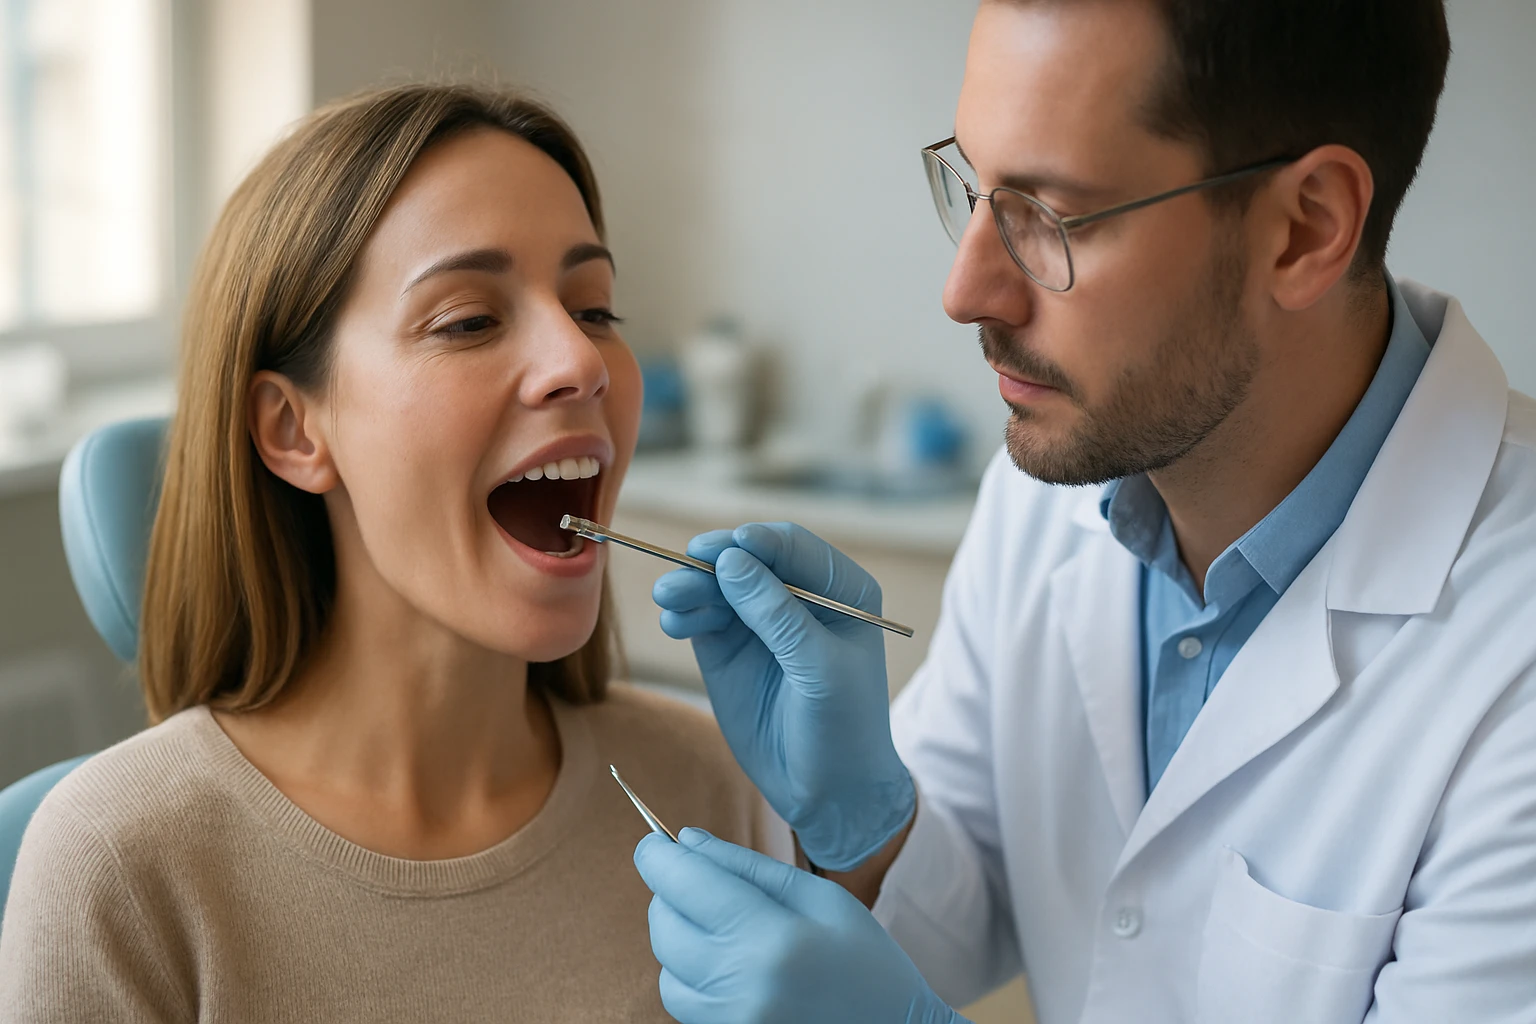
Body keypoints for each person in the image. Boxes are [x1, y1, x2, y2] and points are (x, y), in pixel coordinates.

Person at [632, 1, 1536, 1022]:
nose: (967, 290)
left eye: (1053, 215)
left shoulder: (1514, 654)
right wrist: (864, 821)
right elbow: (962, 913)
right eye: (974, 187)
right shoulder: (1056, 486)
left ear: (1307, 227)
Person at [0, 84, 785, 1023]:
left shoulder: (707, 788)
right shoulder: (118, 867)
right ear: (294, 430)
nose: (580, 359)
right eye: (468, 321)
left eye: (595, 308)